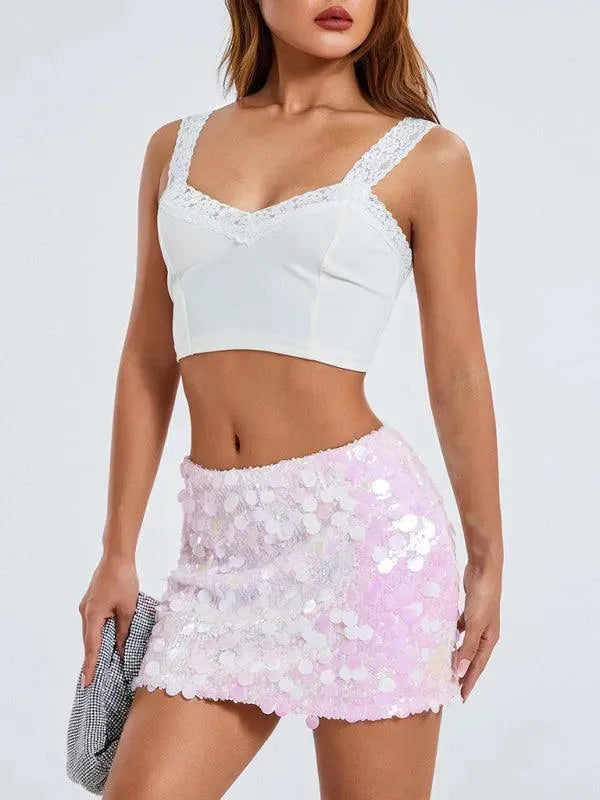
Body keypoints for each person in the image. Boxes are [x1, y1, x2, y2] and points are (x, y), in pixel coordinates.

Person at [78, 1, 503, 798]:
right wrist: (118, 551)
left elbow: (458, 371)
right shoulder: (174, 148)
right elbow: (146, 357)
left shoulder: (428, 157)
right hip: (217, 556)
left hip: (366, 546)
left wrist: (488, 559)